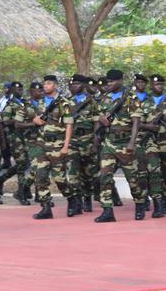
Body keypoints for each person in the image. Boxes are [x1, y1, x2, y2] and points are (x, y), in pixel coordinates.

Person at [94, 69, 147, 222]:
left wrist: (132, 142)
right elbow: (99, 117)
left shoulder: (131, 98)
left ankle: (140, 204)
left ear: (121, 81)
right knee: (104, 176)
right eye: (108, 81)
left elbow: (136, 122)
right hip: (109, 143)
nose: (109, 84)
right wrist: (100, 125)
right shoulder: (104, 98)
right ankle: (107, 211)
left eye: (112, 81)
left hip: (125, 143)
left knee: (133, 179)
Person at [30, 75, 75, 219]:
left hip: (57, 145)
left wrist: (66, 146)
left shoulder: (64, 103)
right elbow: (36, 118)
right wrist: (35, 120)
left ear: (55, 85)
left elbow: (69, 125)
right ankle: (46, 207)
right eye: (45, 83)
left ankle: (72, 199)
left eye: (49, 83)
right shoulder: (41, 102)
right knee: (40, 176)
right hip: (42, 144)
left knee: (59, 178)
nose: (45, 86)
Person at [66, 74, 99, 214]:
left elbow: (97, 123)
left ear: (84, 85)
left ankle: (87, 197)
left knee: (88, 173)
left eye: (77, 84)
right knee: (73, 172)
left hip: (88, 140)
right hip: (72, 140)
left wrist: (95, 142)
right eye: (72, 84)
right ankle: (76, 202)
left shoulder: (92, 102)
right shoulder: (66, 102)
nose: (74, 86)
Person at [0, 82, 32, 205]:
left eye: (21, 88)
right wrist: (18, 120)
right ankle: (21, 192)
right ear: (12, 90)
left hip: (27, 137)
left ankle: (1, 179)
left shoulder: (25, 103)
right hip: (15, 138)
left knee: (25, 164)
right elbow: (5, 122)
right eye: (17, 89)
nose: (20, 91)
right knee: (21, 164)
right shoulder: (9, 104)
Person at [143, 74, 165, 218]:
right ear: (150, 85)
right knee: (154, 171)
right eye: (156, 84)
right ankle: (158, 204)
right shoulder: (143, 102)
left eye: (161, 84)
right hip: (151, 142)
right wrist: (148, 126)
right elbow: (135, 123)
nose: (159, 86)